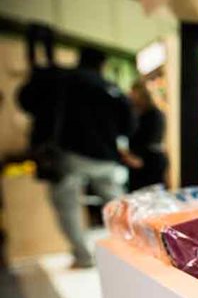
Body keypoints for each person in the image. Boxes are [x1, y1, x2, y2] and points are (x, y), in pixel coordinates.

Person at [18, 47, 133, 269]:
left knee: (68, 207)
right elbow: (129, 124)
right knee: (116, 206)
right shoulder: (110, 88)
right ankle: (131, 250)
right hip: (106, 157)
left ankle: (83, 256)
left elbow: (25, 101)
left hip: (68, 155)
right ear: (103, 65)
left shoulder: (61, 80)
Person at [124, 80, 168, 192]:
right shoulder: (138, 113)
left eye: (133, 93)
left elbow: (150, 138)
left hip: (149, 161)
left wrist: (137, 156)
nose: (130, 96)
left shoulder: (154, 115)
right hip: (140, 160)